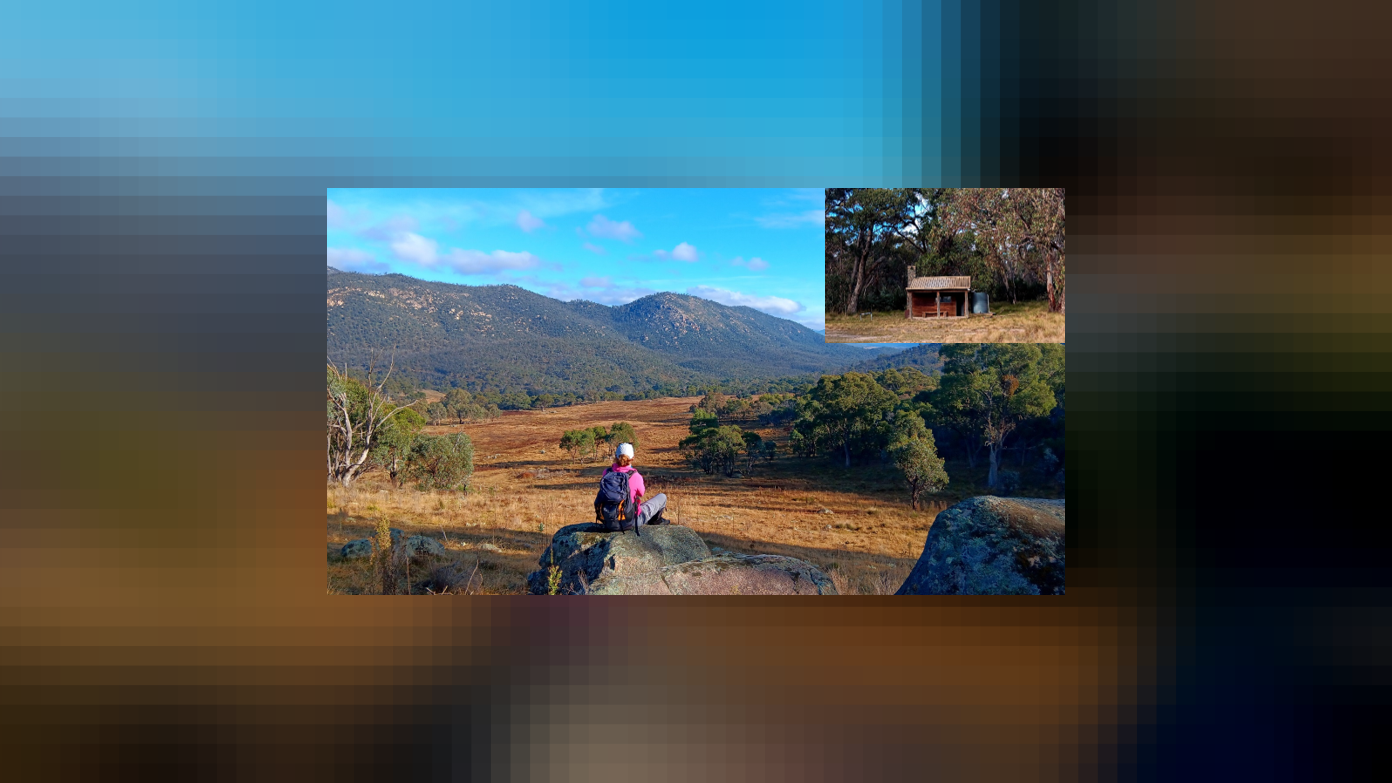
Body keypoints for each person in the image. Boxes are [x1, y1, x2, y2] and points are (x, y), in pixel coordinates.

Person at [600, 443, 668, 527]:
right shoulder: (635, 476)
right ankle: (656, 521)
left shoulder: (606, 472)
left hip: (608, 521)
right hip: (629, 522)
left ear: (616, 456)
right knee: (662, 497)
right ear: (632, 458)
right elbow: (641, 493)